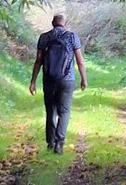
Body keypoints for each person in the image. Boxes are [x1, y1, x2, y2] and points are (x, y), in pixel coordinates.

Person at [29, 13, 87, 154]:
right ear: (65, 23)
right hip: (67, 79)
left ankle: (50, 142)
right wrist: (84, 79)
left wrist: (33, 81)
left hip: (48, 79)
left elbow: (38, 60)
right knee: (64, 111)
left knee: (51, 111)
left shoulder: (44, 37)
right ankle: (59, 143)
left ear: (52, 23)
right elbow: (80, 61)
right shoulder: (72, 36)